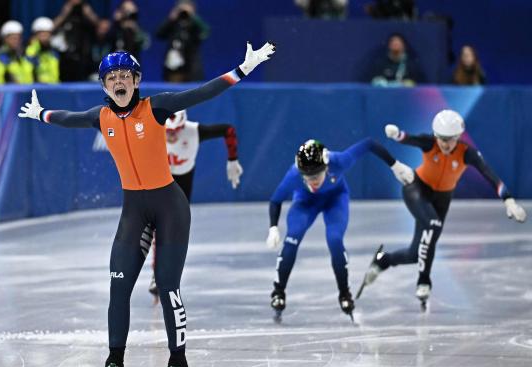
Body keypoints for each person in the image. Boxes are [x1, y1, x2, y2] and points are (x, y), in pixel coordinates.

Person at [18, 42, 275, 367]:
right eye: (112, 77)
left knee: (168, 286)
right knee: (118, 287)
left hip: (170, 207)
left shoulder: (156, 108)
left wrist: (242, 69)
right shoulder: (100, 116)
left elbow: (202, 92)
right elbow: (69, 119)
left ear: (136, 80)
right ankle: (114, 362)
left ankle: (177, 362)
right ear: (104, 86)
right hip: (134, 212)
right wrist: (41, 113)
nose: (119, 81)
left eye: (125, 75)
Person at [358, 110, 527, 309]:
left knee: (416, 254)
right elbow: (409, 138)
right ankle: (423, 280)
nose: (445, 144)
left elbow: (489, 174)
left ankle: (383, 261)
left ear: (458, 137)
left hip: (442, 200)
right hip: (417, 189)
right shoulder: (430, 143)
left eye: (450, 139)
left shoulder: (467, 153)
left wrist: (508, 200)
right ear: (436, 136)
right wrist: (397, 135)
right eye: (441, 139)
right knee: (433, 224)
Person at [266, 138, 414, 321]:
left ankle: (345, 294)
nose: (313, 182)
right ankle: (278, 292)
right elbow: (275, 200)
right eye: (308, 177)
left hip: (335, 199)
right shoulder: (294, 175)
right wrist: (273, 227)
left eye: (317, 176)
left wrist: (395, 165)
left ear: (327, 167)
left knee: (335, 240)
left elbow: (369, 144)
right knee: (292, 238)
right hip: (305, 203)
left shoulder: (339, 161)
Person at [147, 109, 243, 299]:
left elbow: (228, 130)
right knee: (159, 228)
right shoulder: (151, 131)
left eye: (176, 131)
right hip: (160, 180)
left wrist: (232, 160)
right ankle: (156, 275)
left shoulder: (194, 131)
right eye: (168, 132)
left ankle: (167, 269)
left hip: (183, 182)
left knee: (174, 230)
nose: (172, 136)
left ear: (183, 126)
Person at [156, 0, 209, 82]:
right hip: (173, 69)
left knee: (193, 92)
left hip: (191, 68)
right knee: (172, 93)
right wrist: (171, 19)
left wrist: (193, 17)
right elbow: (159, 34)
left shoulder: (195, 25)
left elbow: (205, 32)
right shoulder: (174, 24)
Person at [53, 0, 99, 81]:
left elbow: (100, 27)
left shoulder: (86, 9)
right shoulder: (65, 10)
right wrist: (64, 13)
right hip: (66, 57)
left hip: (84, 56)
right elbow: (52, 27)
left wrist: (89, 14)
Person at [26, 17, 61, 84]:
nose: (44, 36)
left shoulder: (54, 51)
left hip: (55, 88)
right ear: (35, 34)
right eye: (41, 33)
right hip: (38, 89)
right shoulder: (30, 51)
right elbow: (28, 72)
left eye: (47, 33)